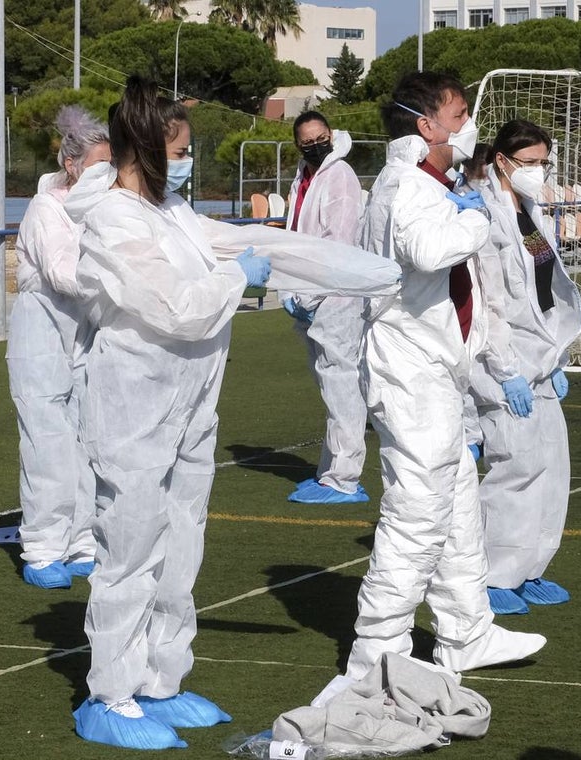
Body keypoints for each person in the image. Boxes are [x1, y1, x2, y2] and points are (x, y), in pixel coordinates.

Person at [64, 76, 402, 751]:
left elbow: (253, 244)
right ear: (149, 147)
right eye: (182, 150)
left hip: (190, 399)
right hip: (135, 401)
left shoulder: (168, 213)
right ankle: (112, 690)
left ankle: (163, 678)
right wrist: (234, 277)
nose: (190, 162)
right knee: (131, 543)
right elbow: (175, 307)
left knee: (182, 538)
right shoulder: (112, 218)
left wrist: (370, 271)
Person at [345, 71, 547, 680]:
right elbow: (432, 253)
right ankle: (377, 656)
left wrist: (496, 360)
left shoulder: (433, 183)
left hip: (434, 370)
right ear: (425, 125)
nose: (468, 127)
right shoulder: (407, 186)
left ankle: (466, 634)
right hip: (409, 375)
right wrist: (477, 218)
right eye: (459, 116)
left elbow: (457, 292)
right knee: (417, 516)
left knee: (458, 509)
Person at [468, 120, 581, 615]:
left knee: (552, 465)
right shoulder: (485, 214)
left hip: (539, 356)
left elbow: (545, 292)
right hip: (504, 359)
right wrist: (506, 368)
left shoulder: (531, 212)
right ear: (502, 160)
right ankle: (495, 575)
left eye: (543, 163)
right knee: (515, 466)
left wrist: (553, 356)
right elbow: (490, 301)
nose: (538, 171)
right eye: (529, 163)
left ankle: (530, 566)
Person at [8, 106, 110, 589]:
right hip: (43, 333)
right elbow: (63, 274)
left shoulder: (99, 207)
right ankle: (45, 547)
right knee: (48, 443)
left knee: (88, 438)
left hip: (84, 332)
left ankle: (83, 541)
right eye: (97, 165)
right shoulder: (46, 209)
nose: (105, 175)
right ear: (72, 164)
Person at [280, 111, 369, 505]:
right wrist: (290, 287)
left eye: (321, 137)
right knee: (329, 384)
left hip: (336, 296)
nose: (315, 145)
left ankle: (345, 475)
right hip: (310, 293)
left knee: (342, 385)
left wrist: (311, 294)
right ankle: (331, 469)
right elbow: (296, 231)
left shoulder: (340, 176)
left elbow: (340, 240)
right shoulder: (303, 178)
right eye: (307, 141)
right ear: (298, 145)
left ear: (330, 136)